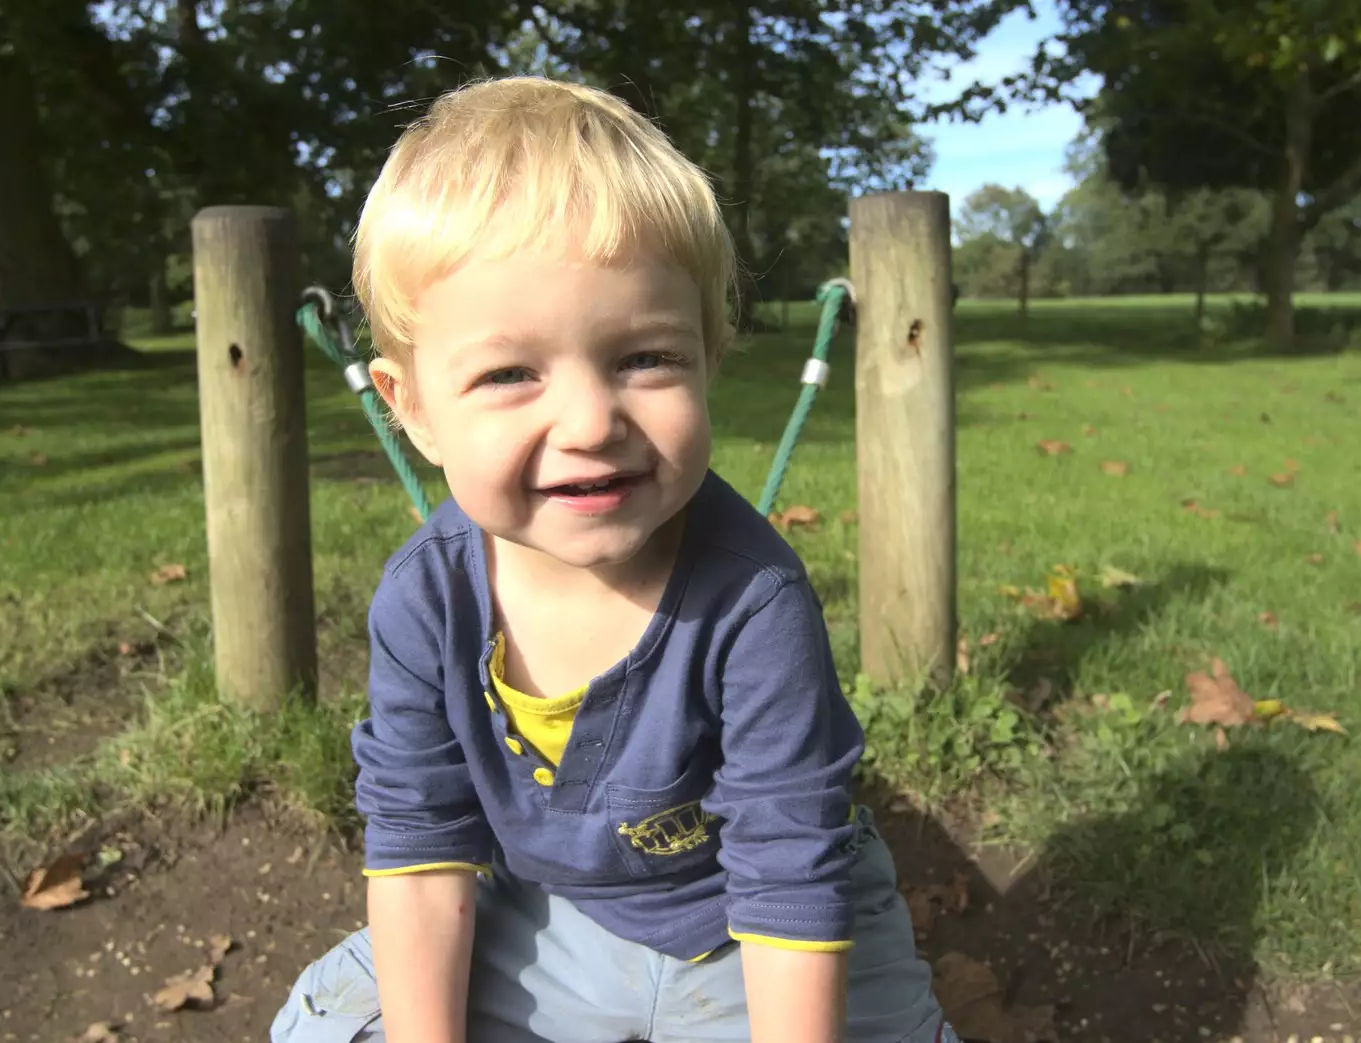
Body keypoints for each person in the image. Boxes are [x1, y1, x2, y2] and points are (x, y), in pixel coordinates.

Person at [270, 75, 959, 1043]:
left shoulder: (751, 602)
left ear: (708, 355)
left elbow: (787, 870)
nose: (592, 421)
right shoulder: (425, 600)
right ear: (412, 405)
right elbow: (423, 854)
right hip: (556, 910)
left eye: (645, 358)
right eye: (510, 373)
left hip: (753, 929)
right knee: (331, 1025)